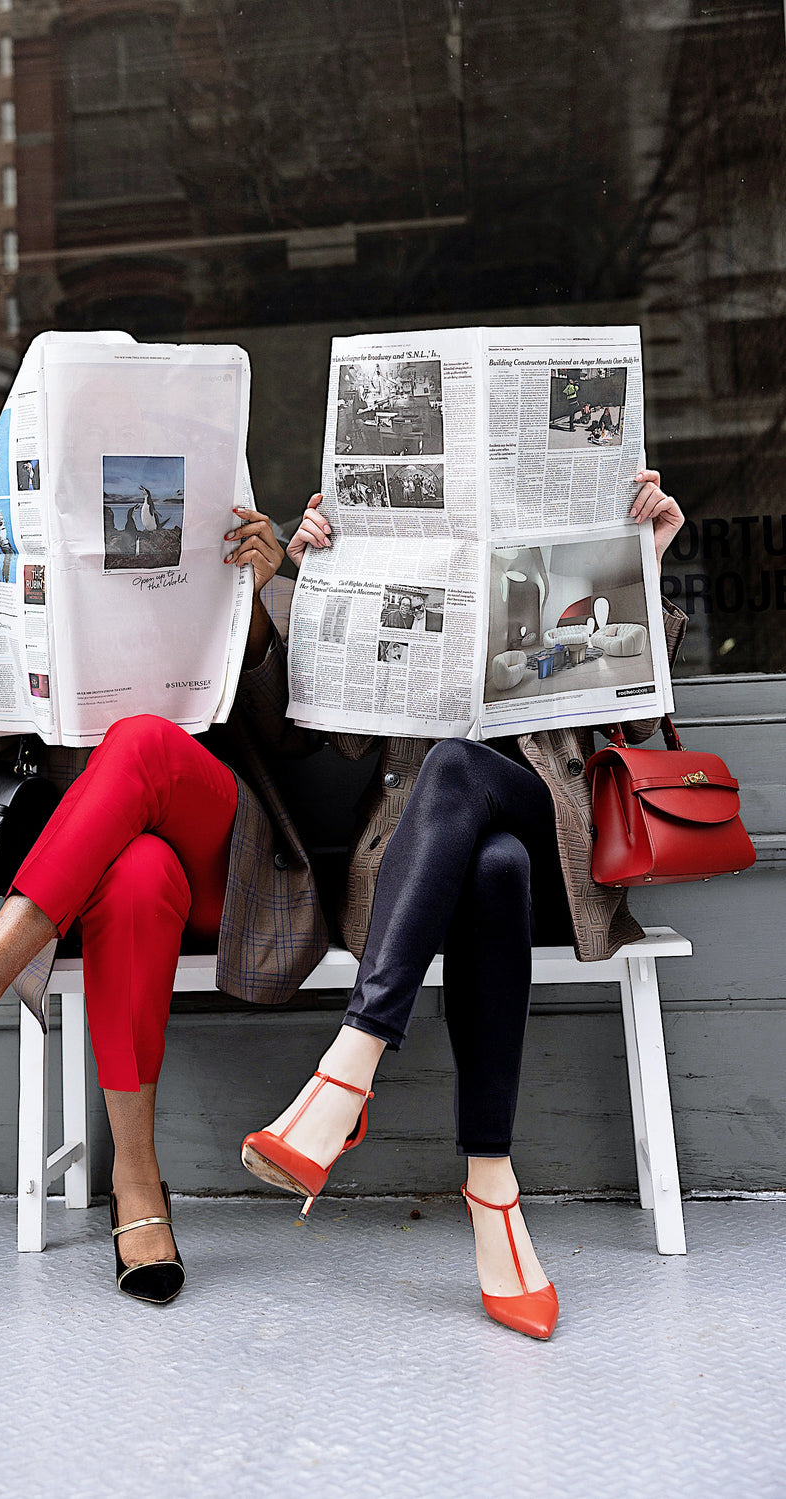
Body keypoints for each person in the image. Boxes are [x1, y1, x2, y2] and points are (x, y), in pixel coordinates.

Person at [0, 505, 328, 1306]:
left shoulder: (243, 539)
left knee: (141, 742)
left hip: (234, 863)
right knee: (137, 871)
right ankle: (136, 1181)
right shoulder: (46, 547)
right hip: (100, 868)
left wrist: (256, 592)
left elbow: (295, 737)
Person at [241, 471, 686, 1341]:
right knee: (492, 865)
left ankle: (351, 1065)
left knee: (461, 774)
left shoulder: (561, 585)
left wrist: (645, 564)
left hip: (563, 856)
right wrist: (310, 586)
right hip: (427, 873)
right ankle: (492, 1187)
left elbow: (642, 720)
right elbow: (308, 736)